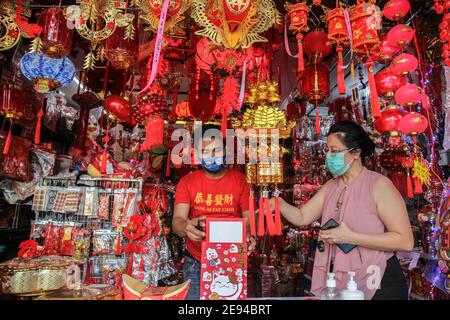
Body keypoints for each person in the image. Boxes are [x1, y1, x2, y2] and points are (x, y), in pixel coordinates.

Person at [272, 120, 414, 300]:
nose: (329, 156)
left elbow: (405, 241)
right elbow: (302, 216)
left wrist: (351, 237)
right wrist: (277, 204)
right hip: (342, 279)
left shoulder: (379, 185)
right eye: (328, 150)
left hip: (378, 278)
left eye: (335, 151)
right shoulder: (332, 185)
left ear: (355, 152)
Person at [172, 124, 256, 300]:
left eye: (216, 150)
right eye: (205, 151)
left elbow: (249, 221)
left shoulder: (240, 181)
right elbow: (177, 222)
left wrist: (249, 235)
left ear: (225, 150)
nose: (211, 156)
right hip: (195, 262)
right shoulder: (187, 183)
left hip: (231, 261)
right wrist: (187, 227)